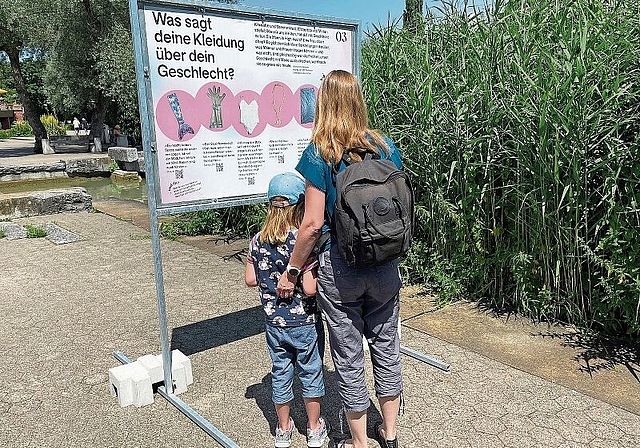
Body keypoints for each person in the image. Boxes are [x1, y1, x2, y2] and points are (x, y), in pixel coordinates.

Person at [276, 70, 404, 448]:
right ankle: (391, 434)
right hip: (384, 262)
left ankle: (359, 443)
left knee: (348, 355)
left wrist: (293, 269)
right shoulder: (384, 147)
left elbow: (312, 224)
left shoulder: (321, 153)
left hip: (342, 267)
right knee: (386, 345)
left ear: (324, 103)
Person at [246, 172, 328, 448]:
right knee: (311, 371)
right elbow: (309, 289)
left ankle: (283, 428)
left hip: (273, 323)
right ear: (301, 204)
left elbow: (250, 279)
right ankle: (314, 428)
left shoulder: (257, 240)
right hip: (304, 321)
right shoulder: (302, 243)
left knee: (281, 372)